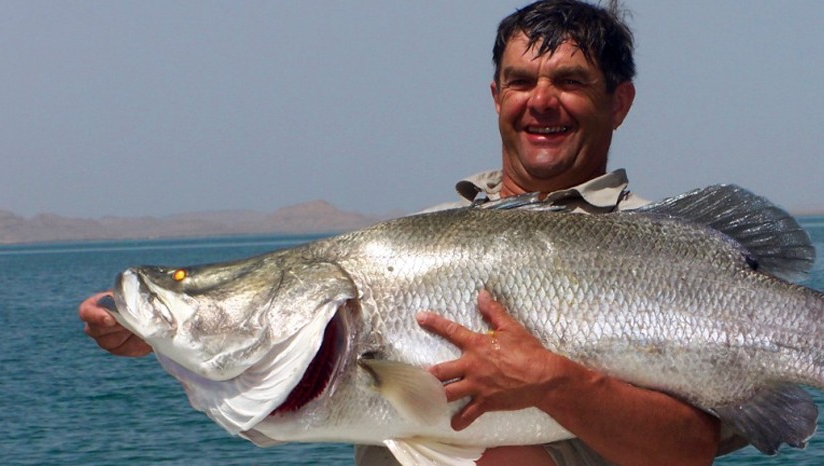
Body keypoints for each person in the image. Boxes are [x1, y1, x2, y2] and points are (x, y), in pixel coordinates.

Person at [80, 1, 737, 465]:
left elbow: (684, 453)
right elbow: (288, 374)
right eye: (520, 81)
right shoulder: (413, 242)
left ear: (618, 102)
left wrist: (554, 381)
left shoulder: (668, 247)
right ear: (495, 95)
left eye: (570, 82)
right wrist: (166, 337)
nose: (541, 100)